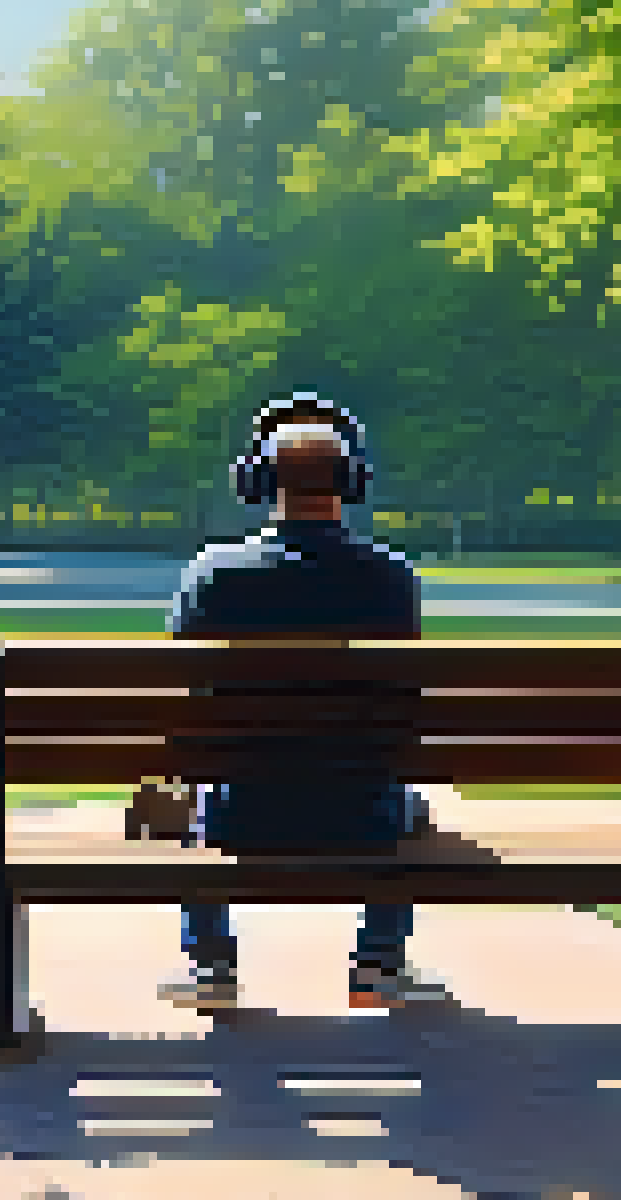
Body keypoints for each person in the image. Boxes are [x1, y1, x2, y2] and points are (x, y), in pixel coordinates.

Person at [153, 391, 451, 1013]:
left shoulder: (213, 575)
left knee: (198, 798)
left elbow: (183, 695)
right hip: (363, 815)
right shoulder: (390, 578)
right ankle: (379, 961)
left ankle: (211, 963)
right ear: (352, 483)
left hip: (240, 815)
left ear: (260, 484)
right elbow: (406, 704)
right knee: (407, 799)